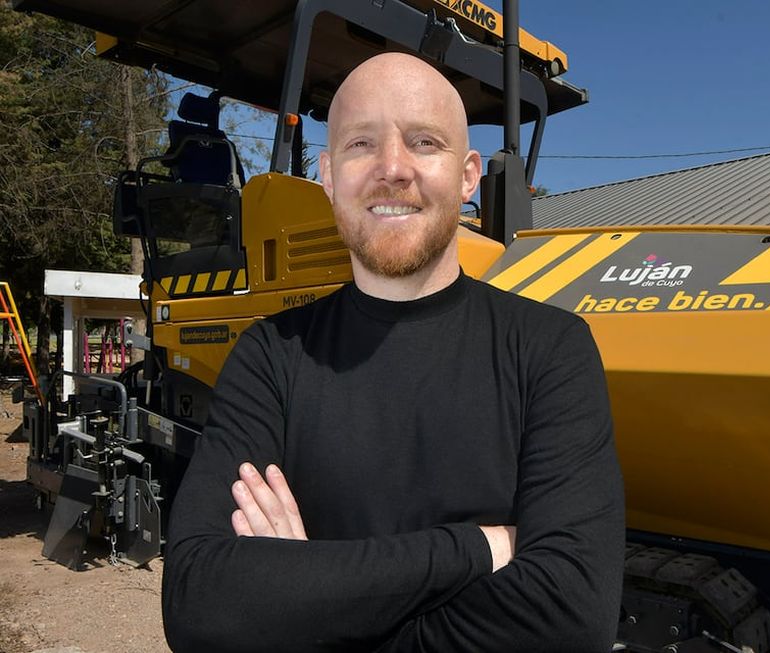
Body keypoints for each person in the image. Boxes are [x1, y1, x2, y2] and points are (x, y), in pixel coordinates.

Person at [161, 52, 624, 652]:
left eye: (424, 141)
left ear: (467, 175)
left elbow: (571, 618)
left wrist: (309, 600)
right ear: (328, 175)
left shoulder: (549, 350)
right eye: (361, 145)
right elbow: (200, 605)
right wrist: (475, 547)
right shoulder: (271, 356)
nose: (393, 169)